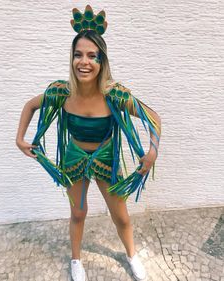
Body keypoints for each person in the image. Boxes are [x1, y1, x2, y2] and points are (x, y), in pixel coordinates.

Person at [16, 5, 161, 281]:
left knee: (121, 216)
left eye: (92, 55)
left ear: (102, 61)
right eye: (78, 55)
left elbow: (154, 118)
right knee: (78, 213)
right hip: (74, 157)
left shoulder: (114, 95)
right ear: (71, 59)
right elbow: (30, 105)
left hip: (106, 158)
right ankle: (76, 260)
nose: (84, 62)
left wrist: (152, 151)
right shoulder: (62, 92)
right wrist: (19, 139)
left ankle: (131, 255)